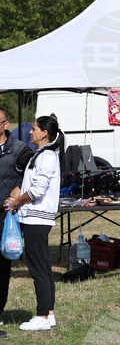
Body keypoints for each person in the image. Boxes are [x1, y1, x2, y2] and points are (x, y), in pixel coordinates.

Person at [4, 115, 63, 331]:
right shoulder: (41, 154)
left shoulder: (46, 156)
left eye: (34, 128)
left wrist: (17, 201)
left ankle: (42, 316)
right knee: (43, 267)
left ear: (44, 133)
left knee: (38, 268)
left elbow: (38, 189)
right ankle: (49, 313)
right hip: (35, 217)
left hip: (37, 217)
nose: (30, 132)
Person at [0, 108, 30, 338]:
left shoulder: (19, 149)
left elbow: (31, 174)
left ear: (5, 124)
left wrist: (19, 189)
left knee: (2, 267)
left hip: (5, 214)